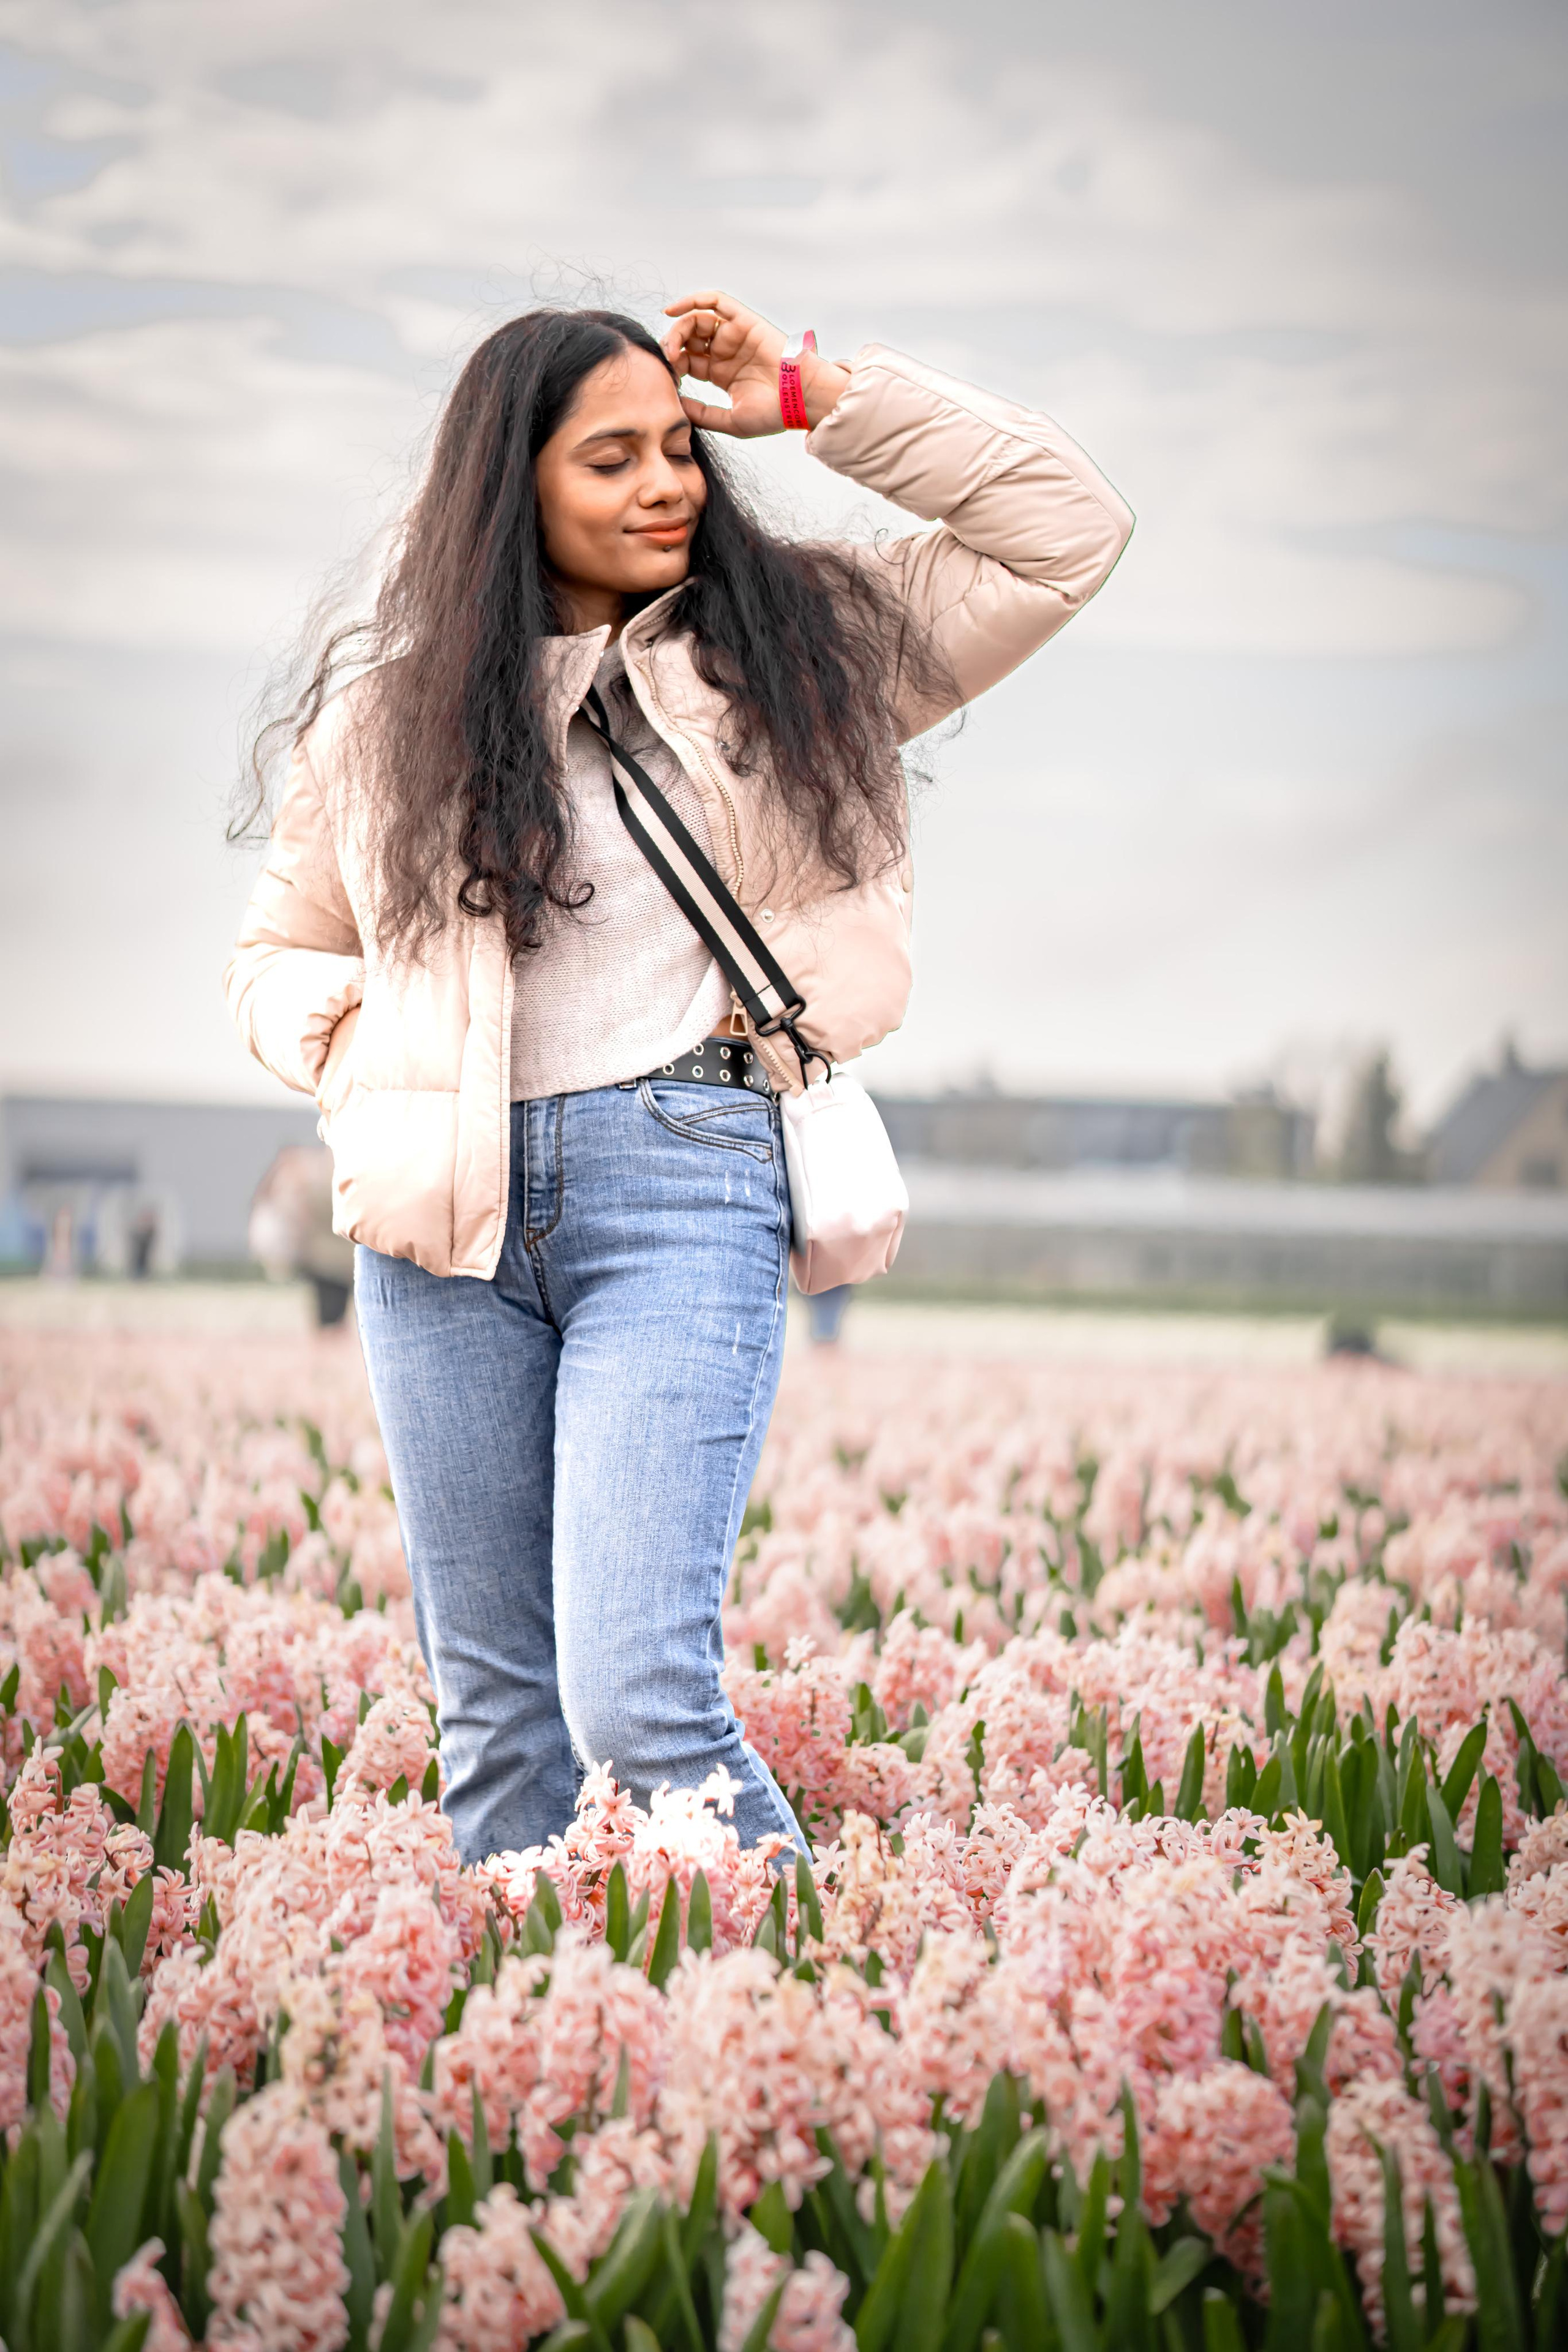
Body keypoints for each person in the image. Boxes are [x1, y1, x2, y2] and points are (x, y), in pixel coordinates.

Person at [225, 288, 1132, 1864]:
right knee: (496, 1713)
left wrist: (808, 393)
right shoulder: (389, 718)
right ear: (512, 489)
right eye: (612, 459)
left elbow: (1067, 531)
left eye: (680, 450)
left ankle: (790, 2032)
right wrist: (376, 1062)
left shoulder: (794, 658)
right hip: (442, 1226)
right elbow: (277, 960)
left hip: (685, 1177)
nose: (668, 484)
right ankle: (535, 2068)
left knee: (638, 1696)